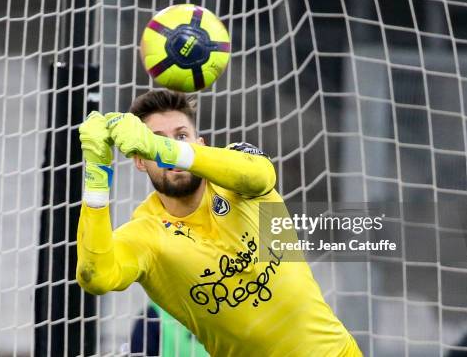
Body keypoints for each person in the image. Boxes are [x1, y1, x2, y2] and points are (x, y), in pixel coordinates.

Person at [76, 90, 361, 356]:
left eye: (181, 135)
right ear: (140, 161)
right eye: (157, 138)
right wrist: (97, 177)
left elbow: (261, 175)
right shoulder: (145, 234)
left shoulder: (239, 174)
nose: (169, 144)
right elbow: (96, 277)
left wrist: (162, 148)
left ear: (200, 144)